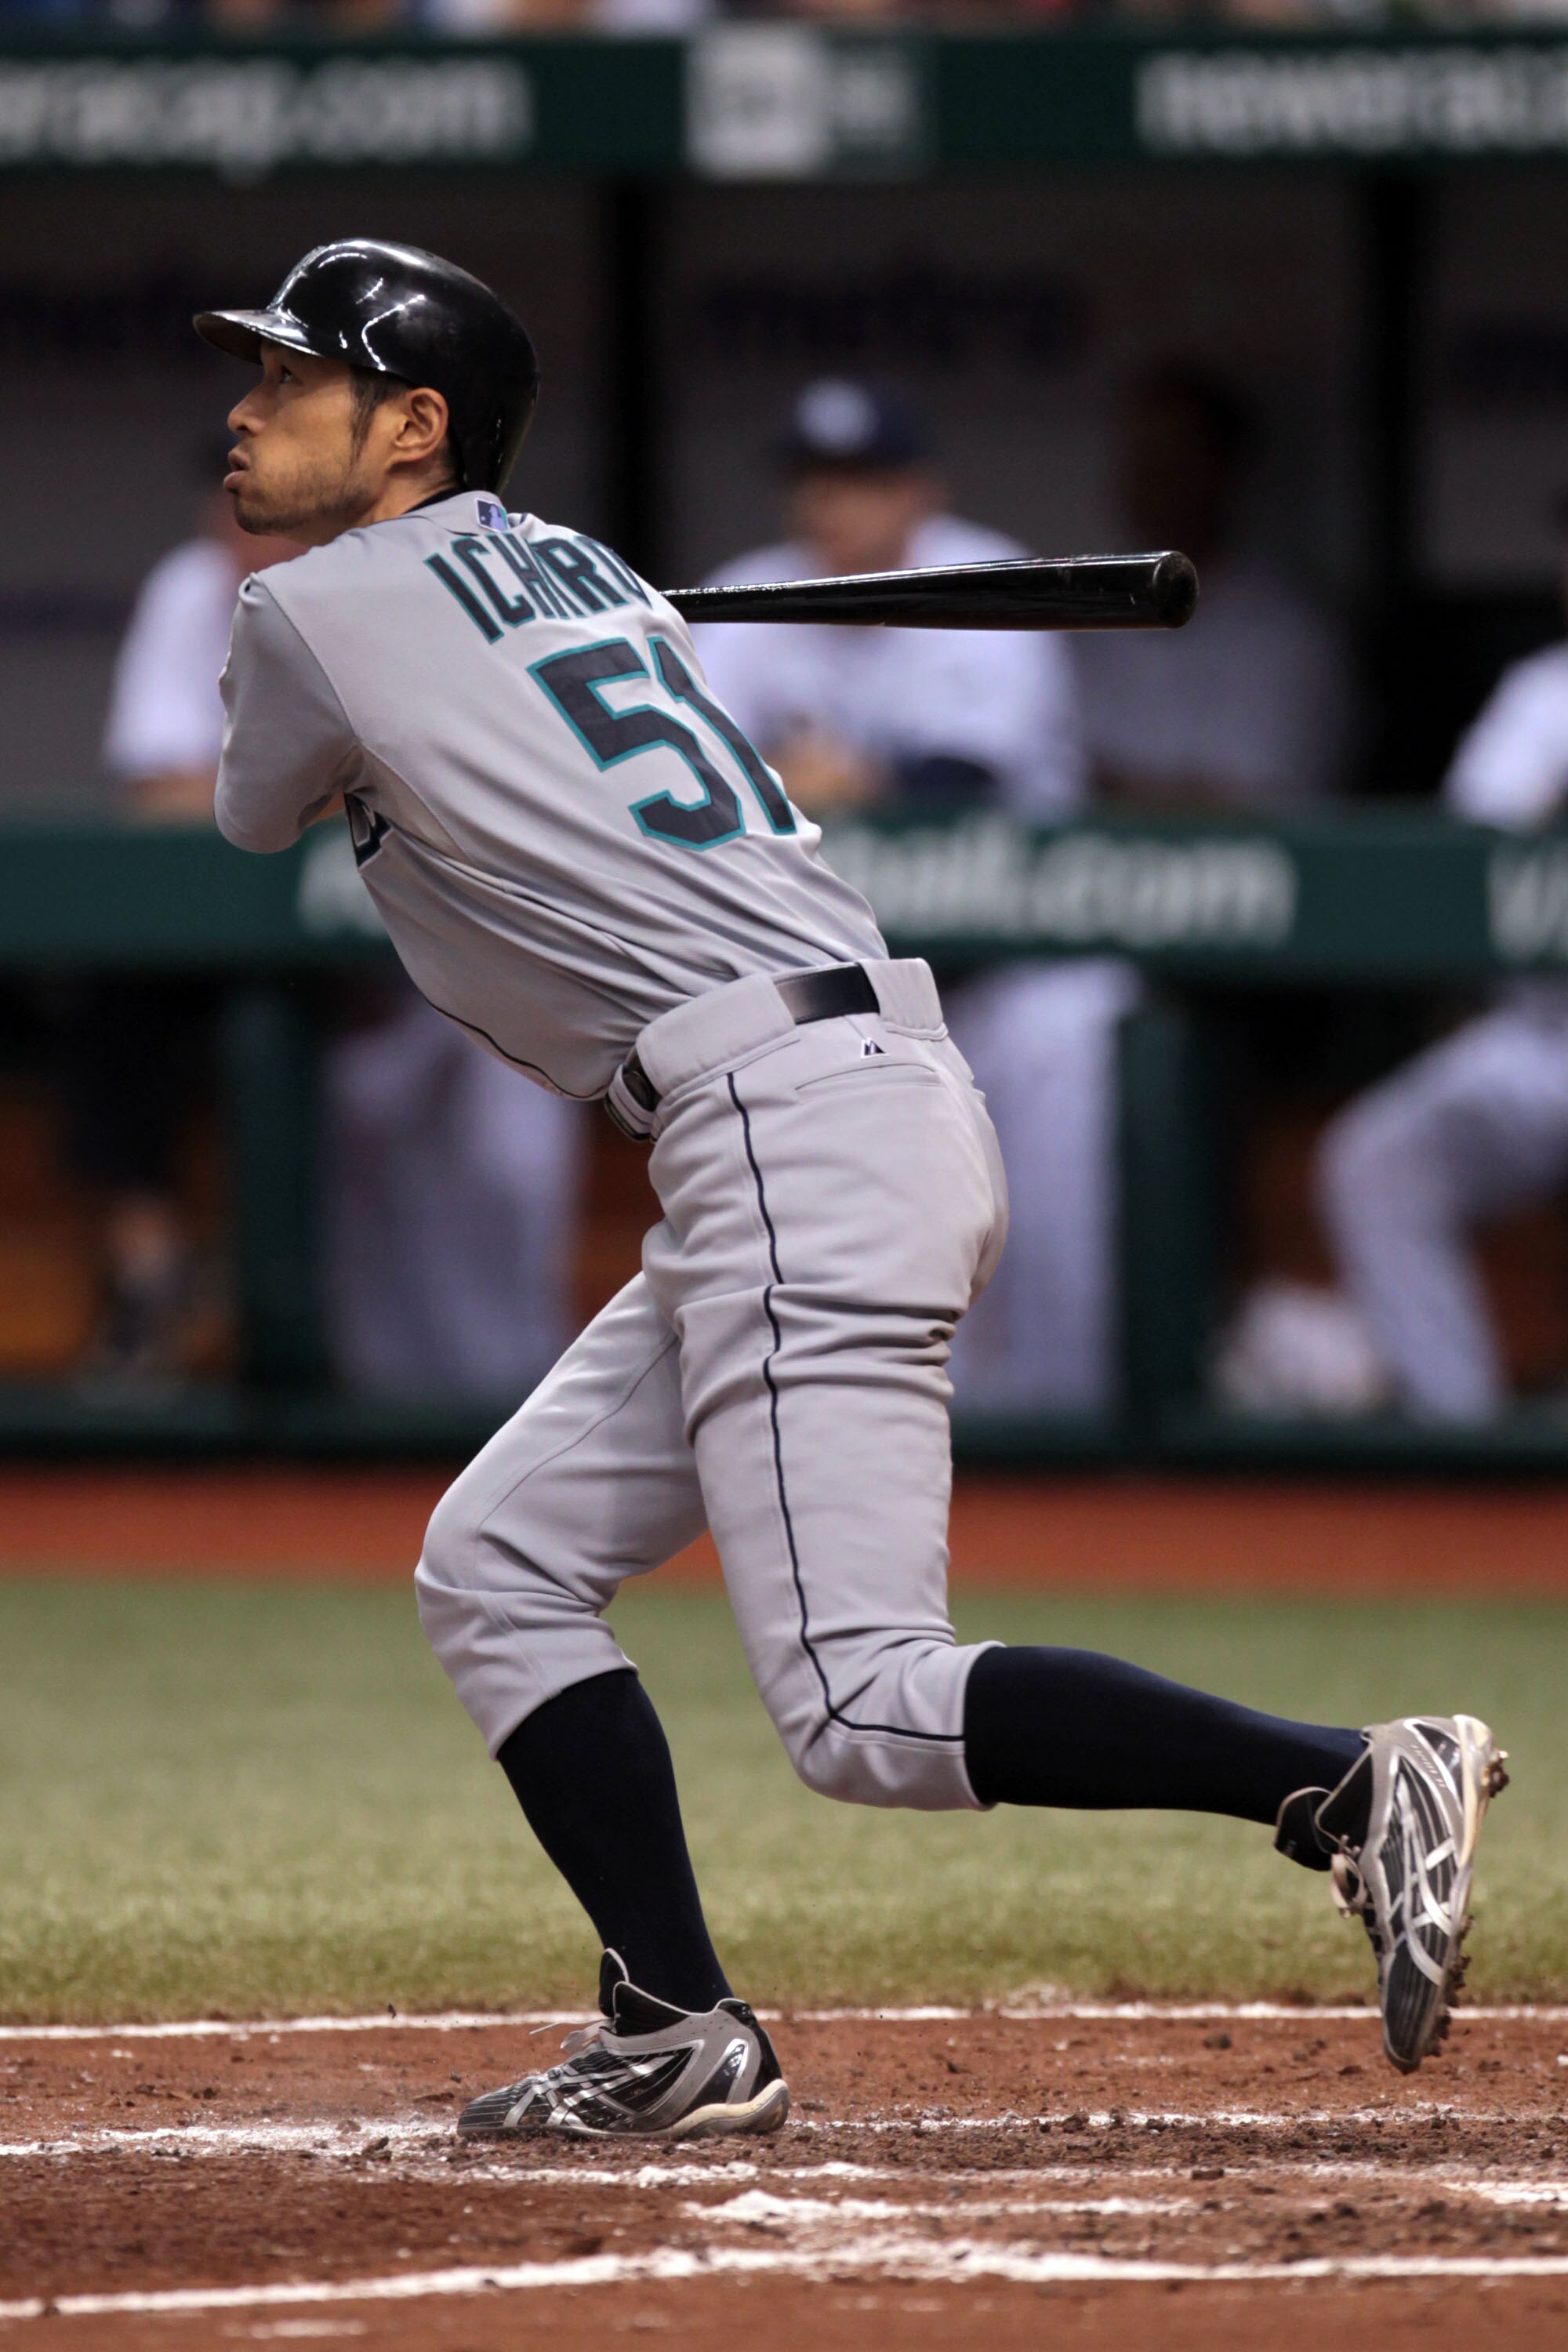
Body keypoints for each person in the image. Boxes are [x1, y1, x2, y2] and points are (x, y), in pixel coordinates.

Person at [205, 237, 1504, 2136]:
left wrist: (405, 645)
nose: (240, 417)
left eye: (289, 384)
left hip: (789, 1126)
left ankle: (1340, 1778)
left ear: (410, 430)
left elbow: (251, 807)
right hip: (828, 1100)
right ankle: (671, 2023)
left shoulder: (312, 609)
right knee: (499, 1564)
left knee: (862, 1705)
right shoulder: (572, 574)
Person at [86, 448, 579, 1396]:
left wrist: (295, 793)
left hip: (474, 957)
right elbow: (157, 793)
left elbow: (425, 786)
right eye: (227, 518)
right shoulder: (198, 592)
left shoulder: (385, 586)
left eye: (259, 516)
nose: (242, 541)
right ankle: (165, 1278)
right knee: (125, 993)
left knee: (506, 1212)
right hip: (320, 976)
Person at [694, 379, 1132, 1413]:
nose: (828, 507)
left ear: (917, 495)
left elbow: (952, 791)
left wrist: (835, 784)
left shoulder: (985, 583)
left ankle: (1076, 1436)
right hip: (851, 977)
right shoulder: (750, 599)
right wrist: (810, 784)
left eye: (858, 483)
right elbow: (691, 785)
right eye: (814, 482)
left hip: (1023, 965)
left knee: (1053, 1218)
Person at [1318, 583, 1568, 1421]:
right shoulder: (1544, 690)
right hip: (1544, 1041)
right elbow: (1473, 842)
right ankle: (1457, 1440)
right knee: (1377, 1161)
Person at [1070, 363, 1352, 815]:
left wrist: (1122, 787)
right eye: (1142, 458)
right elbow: (1054, 780)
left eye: (1174, 459)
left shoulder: (1286, 627)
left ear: (1225, 471)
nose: (1153, 479)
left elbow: (1258, 799)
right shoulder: (1081, 606)